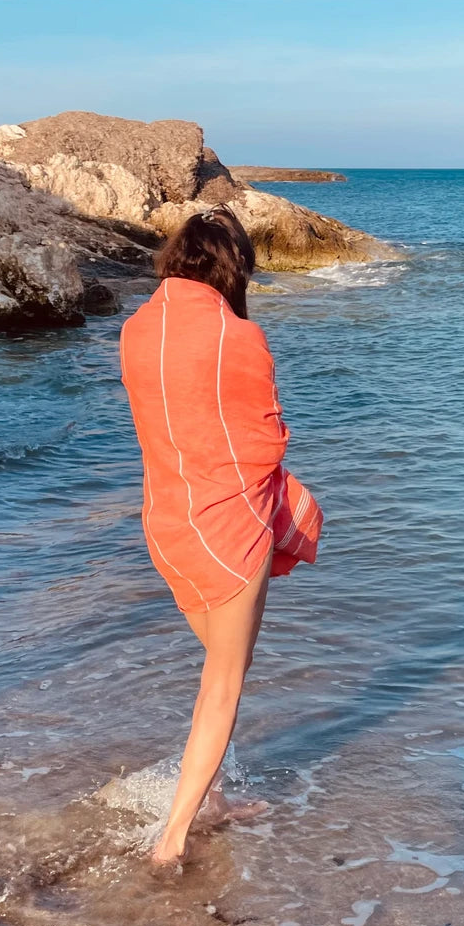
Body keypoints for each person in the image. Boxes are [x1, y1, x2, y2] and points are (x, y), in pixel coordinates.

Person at [119, 204, 323, 867]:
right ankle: (172, 838)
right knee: (226, 679)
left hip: (165, 522)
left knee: (219, 669)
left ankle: (206, 801)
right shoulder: (240, 339)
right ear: (235, 266)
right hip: (226, 526)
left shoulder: (136, 329)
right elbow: (265, 439)